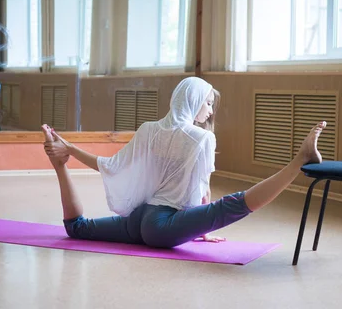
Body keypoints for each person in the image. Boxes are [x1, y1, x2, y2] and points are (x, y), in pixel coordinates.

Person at [42, 77, 326, 248]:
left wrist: (68, 150)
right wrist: (201, 228)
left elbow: (109, 166)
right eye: (208, 103)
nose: (210, 109)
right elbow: (203, 191)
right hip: (163, 225)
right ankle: (300, 159)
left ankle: (59, 166)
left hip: (139, 218)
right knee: (232, 206)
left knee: (77, 228)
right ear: (193, 101)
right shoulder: (201, 138)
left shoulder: (149, 129)